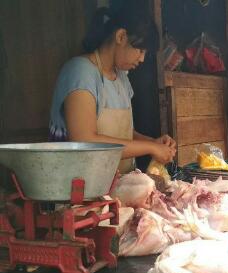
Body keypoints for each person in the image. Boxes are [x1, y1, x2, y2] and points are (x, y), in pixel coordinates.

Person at [49, 2, 176, 173]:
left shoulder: (122, 78)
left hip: (115, 185)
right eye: (140, 50)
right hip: (78, 189)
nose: (142, 59)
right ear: (121, 36)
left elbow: (124, 134)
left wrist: (154, 142)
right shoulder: (80, 72)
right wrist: (150, 148)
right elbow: (85, 140)